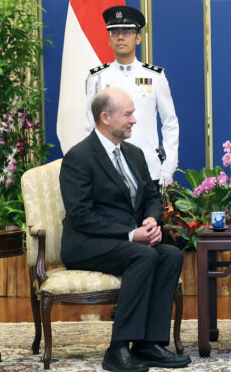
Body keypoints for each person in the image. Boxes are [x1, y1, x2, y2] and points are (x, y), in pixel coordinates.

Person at [59, 87, 190, 371]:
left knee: (171, 255)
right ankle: (117, 349)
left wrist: (152, 221)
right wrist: (131, 235)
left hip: (125, 242)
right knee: (143, 255)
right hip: (86, 244)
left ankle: (147, 345)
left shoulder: (134, 154)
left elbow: (152, 198)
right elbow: (81, 216)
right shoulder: (79, 157)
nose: (134, 120)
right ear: (105, 117)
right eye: (128, 114)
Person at [84, 5, 179, 189]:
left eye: (127, 31)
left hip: (147, 169)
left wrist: (168, 166)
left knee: (149, 218)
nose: (120, 37)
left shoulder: (155, 76)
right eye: (114, 32)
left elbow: (170, 122)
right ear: (109, 39)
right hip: (108, 173)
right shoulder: (97, 77)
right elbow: (91, 127)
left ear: (138, 38)